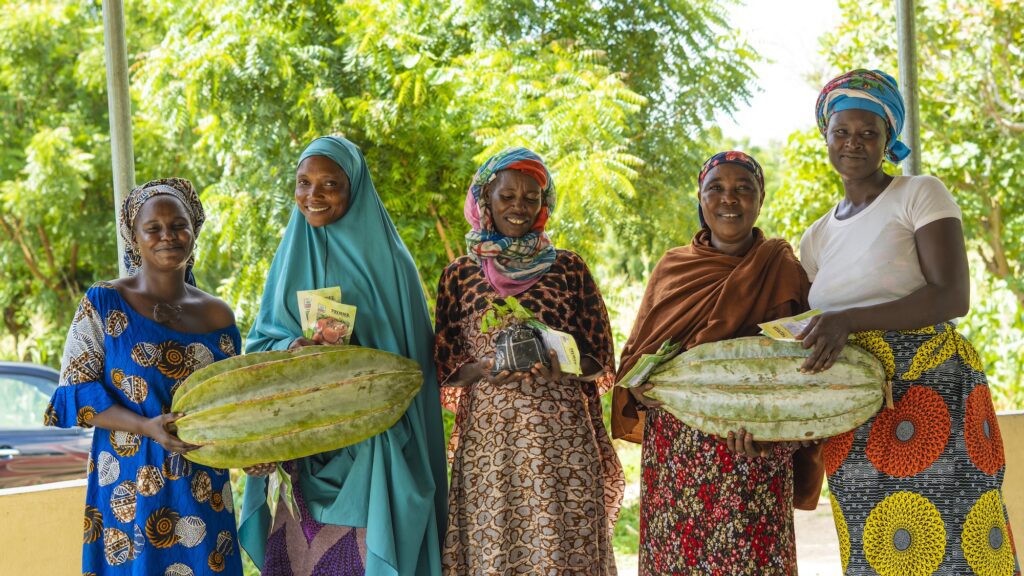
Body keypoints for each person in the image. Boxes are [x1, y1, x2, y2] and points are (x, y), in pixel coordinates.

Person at [800, 69, 1020, 575]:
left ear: (888, 139)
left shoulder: (919, 193)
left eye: (868, 133)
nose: (853, 143)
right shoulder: (816, 237)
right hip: (855, 411)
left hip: (934, 393)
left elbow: (952, 295)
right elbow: (816, 324)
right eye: (842, 132)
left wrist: (847, 321)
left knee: (958, 541)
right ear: (826, 136)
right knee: (877, 546)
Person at [237, 136, 448, 576]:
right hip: (304, 452)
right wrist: (291, 347)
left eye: (329, 183)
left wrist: (356, 364)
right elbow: (260, 344)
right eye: (303, 182)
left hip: (374, 456)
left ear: (354, 187)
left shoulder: (392, 264)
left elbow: (411, 368)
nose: (312, 195)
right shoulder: (289, 258)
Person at [611, 151, 825, 575]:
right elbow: (636, 357)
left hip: (754, 451)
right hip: (677, 455)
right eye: (717, 189)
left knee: (754, 562)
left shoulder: (781, 268)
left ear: (760, 199)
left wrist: (772, 438)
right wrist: (639, 387)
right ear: (701, 199)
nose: (730, 199)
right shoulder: (673, 268)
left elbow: (803, 372)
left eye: (744, 189)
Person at [434, 147, 624, 575]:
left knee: (563, 545)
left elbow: (601, 356)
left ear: (544, 205)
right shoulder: (460, 274)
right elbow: (444, 364)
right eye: (507, 196)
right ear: (486, 200)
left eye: (530, 198)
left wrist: (565, 366)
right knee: (493, 547)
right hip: (491, 444)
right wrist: (483, 369)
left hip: (562, 438)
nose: (519, 207)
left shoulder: (570, 268)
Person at [44, 178, 242, 575]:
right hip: (129, 484)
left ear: (194, 229)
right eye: (153, 228)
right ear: (133, 237)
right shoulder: (103, 302)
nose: (168, 235)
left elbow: (233, 399)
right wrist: (145, 426)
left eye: (179, 225)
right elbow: (75, 393)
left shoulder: (218, 315)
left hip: (201, 488)